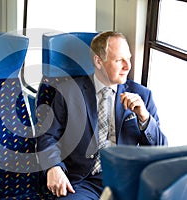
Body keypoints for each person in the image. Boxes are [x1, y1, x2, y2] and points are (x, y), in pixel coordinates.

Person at [36, 31, 168, 199]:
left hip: (128, 180)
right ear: (98, 61)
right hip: (83, 182)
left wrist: (144, 117)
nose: (128, 66)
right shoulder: (69, 92)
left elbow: (161, 148)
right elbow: (48, 136)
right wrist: (53, 167)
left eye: (129, 58)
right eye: (119, 60)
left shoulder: (142, 95)